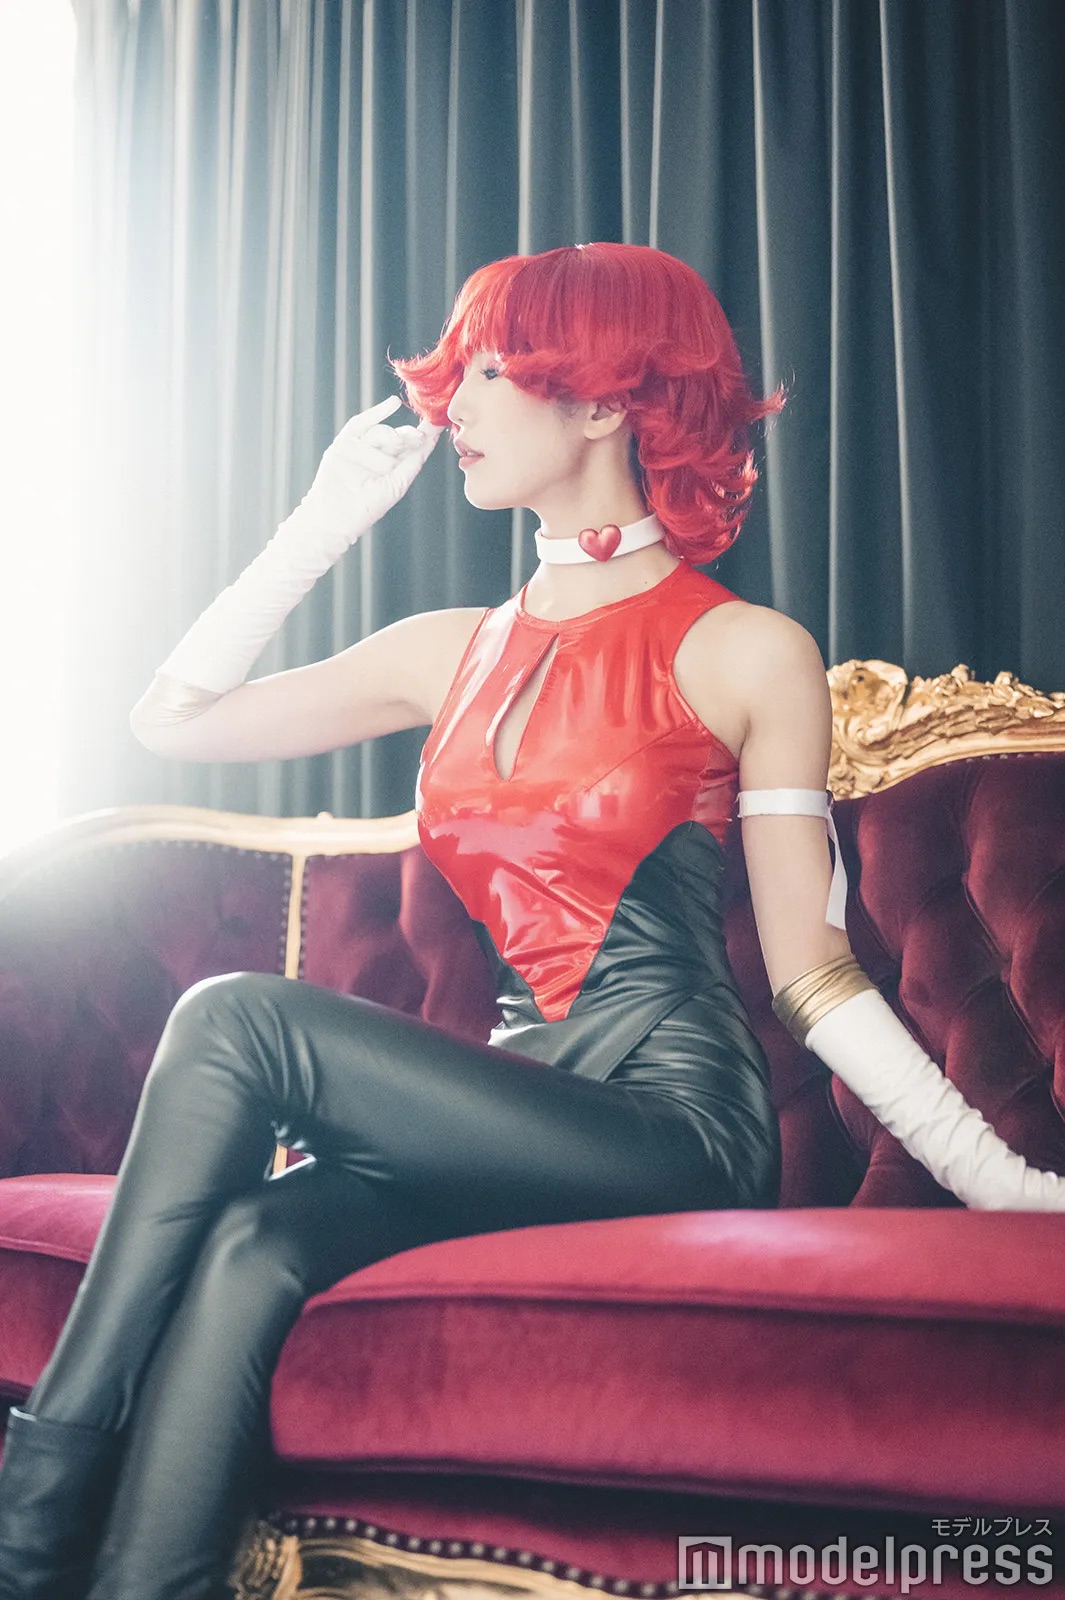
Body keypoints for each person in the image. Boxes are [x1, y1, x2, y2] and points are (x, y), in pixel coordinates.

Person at [0, 242, 1062, 1600]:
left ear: (606, 401)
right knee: (257, 1245)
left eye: (494, 371)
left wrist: (1007, 1187)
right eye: (460, 372)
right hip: (518, 1110)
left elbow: (812, 969)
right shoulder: (448, 648)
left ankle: (31, 1523)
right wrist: (324, 520)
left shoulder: (743, 649)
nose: (456, 404)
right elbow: (173, 721)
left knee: (234, 1018)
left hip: (672, 1126)